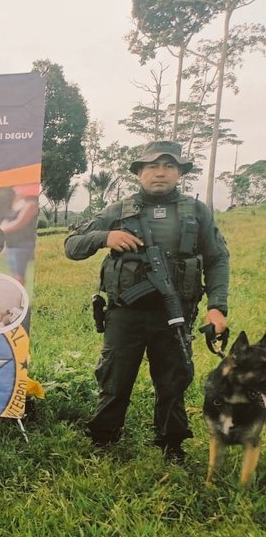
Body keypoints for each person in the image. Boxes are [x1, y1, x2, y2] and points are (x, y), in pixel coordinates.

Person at [64, 140, 230, 461]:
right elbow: (72, 246)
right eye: (152, 166)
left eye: (169, 166)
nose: (160, 173)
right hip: (125, 313)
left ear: (180, 172)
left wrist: (216, 307)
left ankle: (172, 443)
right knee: (115, 377)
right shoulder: (118, 210)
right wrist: (105, 237)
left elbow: (217, 259)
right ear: (139, 172)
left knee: (173, 379)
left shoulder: (195, 211)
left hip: (176, 313)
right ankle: (104, 438)